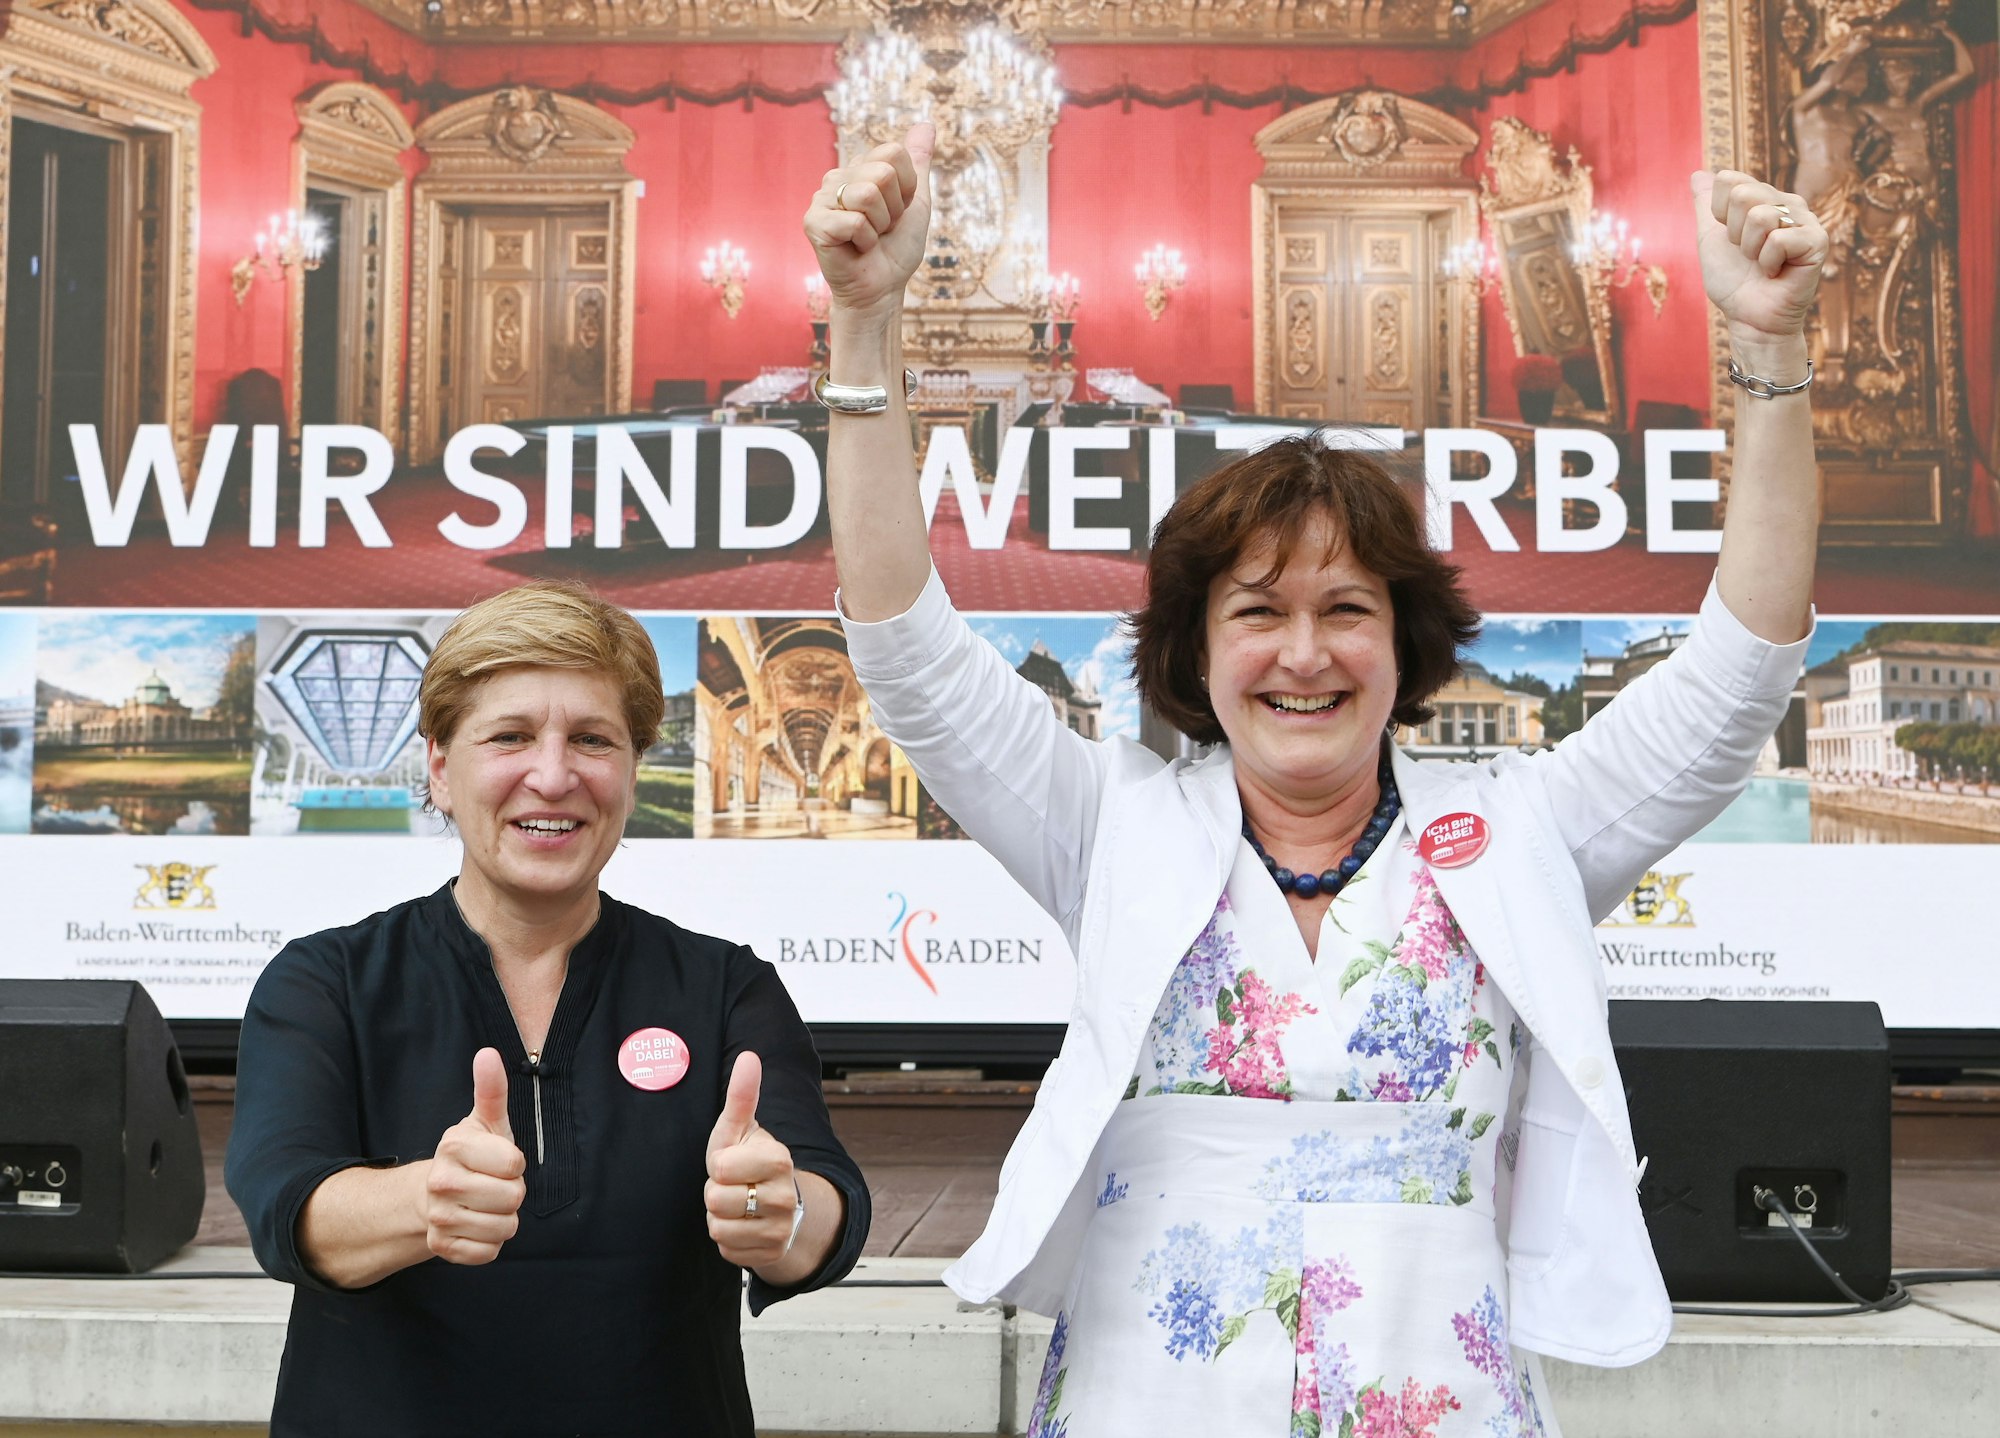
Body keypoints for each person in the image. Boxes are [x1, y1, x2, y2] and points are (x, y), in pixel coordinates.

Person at [804, 122, 1824, 1436]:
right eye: (1255, 613)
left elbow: (1740, 669)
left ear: (1405, 642)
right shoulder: (1112, 823)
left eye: (1346, 607)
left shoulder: (1517, 832)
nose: (1302, 653)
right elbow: (906, 647)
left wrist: (1775, 355)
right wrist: (863, 325)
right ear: (1197, 647)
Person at [226, 581, 870, 1437]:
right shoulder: (326, 982)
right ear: (441, 769)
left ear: (632, 771)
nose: (555, 775)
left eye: (594, 740)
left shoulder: (724, 988)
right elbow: (287, 1212)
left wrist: (779, 1214)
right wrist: (427, 1201)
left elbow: (825, 1203)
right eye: (512, 736)